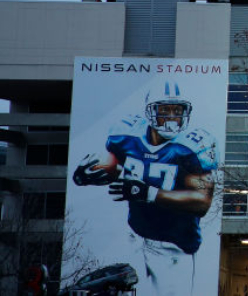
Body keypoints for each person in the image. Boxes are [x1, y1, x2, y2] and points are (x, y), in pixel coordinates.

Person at [72, 81, 218, 296]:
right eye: (164, 110)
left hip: (173, 246)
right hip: (132, 234)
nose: (171, 117)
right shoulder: (127, 133)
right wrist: (90, 172)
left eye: (177, 110)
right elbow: (115, 165)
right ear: (150, 111)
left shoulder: (194, 145)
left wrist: (150, 193)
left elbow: (202, 201)